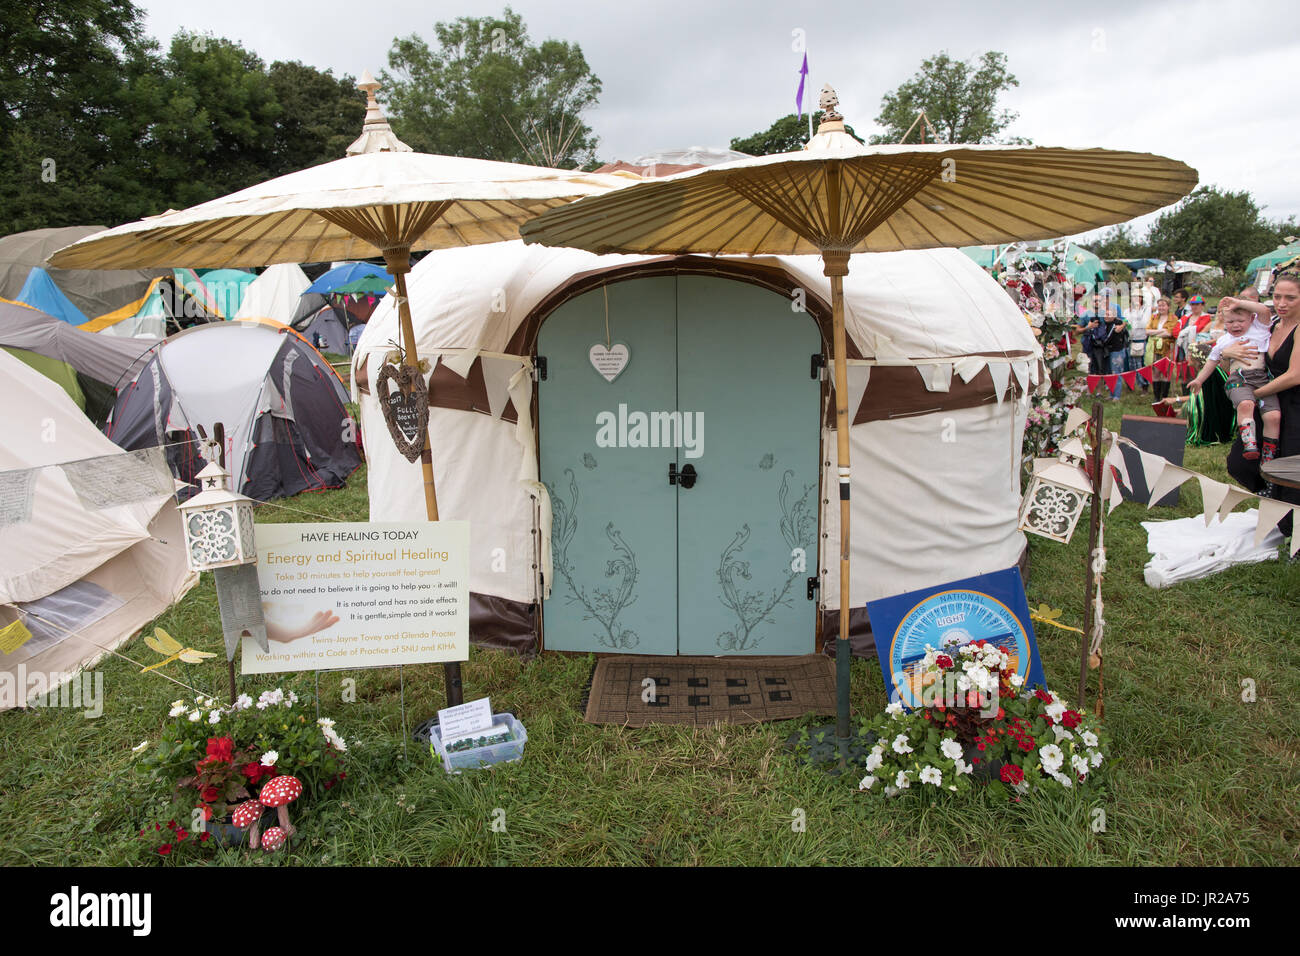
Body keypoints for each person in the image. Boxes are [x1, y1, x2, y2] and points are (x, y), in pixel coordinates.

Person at [1224, 273, 1300, 551]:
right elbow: (1236, 359)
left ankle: (1295, 537)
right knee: (1240, 462)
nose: (1281, 303)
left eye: (1290, 297)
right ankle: (1273, 503)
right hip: (1269, 401)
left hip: (1292, 405)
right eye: (1277, 296)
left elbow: (1295, 375)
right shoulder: (1272, 325)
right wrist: (1227, 352)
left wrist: (1252, 395)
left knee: (1293, 474)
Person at [1188, 298, 1277, 460]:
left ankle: (1269, 453)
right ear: (1223, 321)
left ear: (1251, 319)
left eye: (1240, 321)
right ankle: (1249, 443)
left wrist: (1238, 303)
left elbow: (1263, 310)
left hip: (1263, 378)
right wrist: (1199, 380)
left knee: (1273, 416)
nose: (1235, 325)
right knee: (1245, 404)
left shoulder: (1259, 329)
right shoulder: (1224, 340)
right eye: (1230, 322)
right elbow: (1212, 361)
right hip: (1239, 379)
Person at [1146, 297, 1180, 402]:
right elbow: (1147, 331)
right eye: (1159, 305)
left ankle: (1164, 396)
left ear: (1168, 306)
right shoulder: (1154, 317)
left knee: (1165, 372)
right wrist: (1161, 331)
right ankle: (1156, 396)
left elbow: (1169, 333)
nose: (1161, 307)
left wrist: (1155, 332)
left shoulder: (1173, 318)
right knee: (1156, 372)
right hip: (1155, 348)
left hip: (1167, 348)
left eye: (1163, 305)